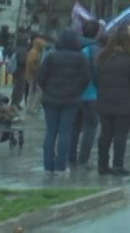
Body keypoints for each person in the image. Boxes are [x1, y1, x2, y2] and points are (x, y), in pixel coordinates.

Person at [93, 30, 130, 176]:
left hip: (104, 101)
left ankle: (102, 165)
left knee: (105, 134)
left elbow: (96, 79)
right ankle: (118, 165)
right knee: (121, 134)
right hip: (126, 103)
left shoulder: (102, 58)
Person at [37, 28, 90, 175]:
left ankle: (48, 165)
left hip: (50, 98)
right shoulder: (81, 58)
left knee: (51, 132)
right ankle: (61, 166)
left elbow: (41, 77)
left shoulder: (51, 57)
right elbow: (86, 78)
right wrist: (77, 90)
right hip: (71, 99)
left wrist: (47, 89)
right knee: (65, 132)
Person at [71, 20, 102, 167]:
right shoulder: (95, 49)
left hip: (74, 94)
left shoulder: (73, 47)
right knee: (91, 126)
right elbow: (97, 72)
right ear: (96, 32)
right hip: (91, 94)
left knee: (74, 126)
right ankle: (83, 159)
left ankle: (70, 156)